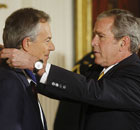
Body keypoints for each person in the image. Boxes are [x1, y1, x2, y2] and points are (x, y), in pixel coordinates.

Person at [1, 8, 140, 130]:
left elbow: (92, 91)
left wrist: (36, 65)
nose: (93, 42)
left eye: (101, 36)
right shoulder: (96, 71)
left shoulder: (136, 74)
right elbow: (70, 90)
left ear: (123, 43)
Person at [0, 8, 54, 130]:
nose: (52, 47)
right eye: (47, 40)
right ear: (27, 43)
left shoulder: (23, 78)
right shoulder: (10, 83)